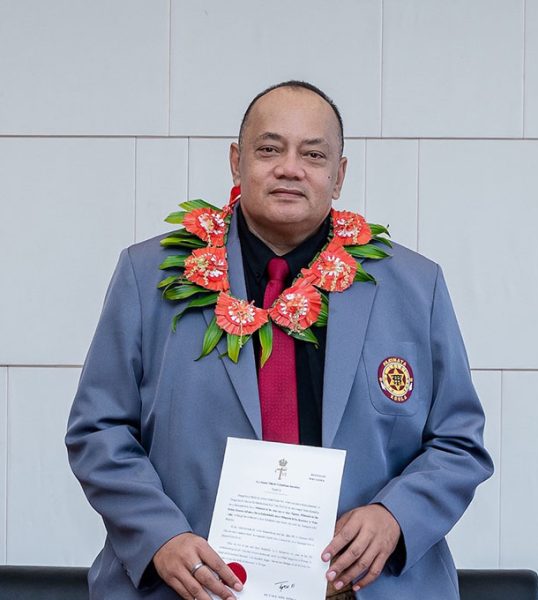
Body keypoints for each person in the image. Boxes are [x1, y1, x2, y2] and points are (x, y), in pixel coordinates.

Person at [66, 80, 492, 600]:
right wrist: (160, 536)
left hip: (363, 590)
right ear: (236, 162)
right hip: (193, 590)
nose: (290, 168)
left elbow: (459, 442)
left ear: (339, 175)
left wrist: (395, 516)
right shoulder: (149, 276)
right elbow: (99, 429)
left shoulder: (415, 287)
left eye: (313, 154)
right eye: (269, 149)